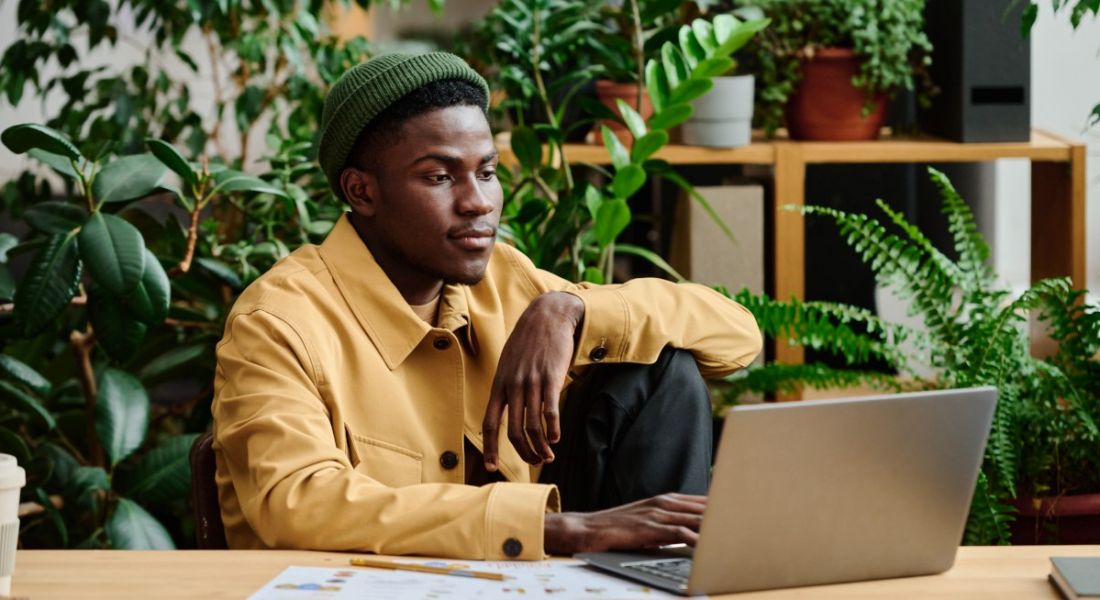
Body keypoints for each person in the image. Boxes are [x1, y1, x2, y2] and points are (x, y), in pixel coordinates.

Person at [212, 52, 762, 560]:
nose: (478, 202)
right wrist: (561, 528)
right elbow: (299, 502)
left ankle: (662, 576)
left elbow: (738, 338)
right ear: (362, 191)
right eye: (440, 176)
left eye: (488, 172)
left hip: (518, 587)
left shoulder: (509, 281)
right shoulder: (278, 323)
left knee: (662, 370)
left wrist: (568, 309)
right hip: (360, 590)